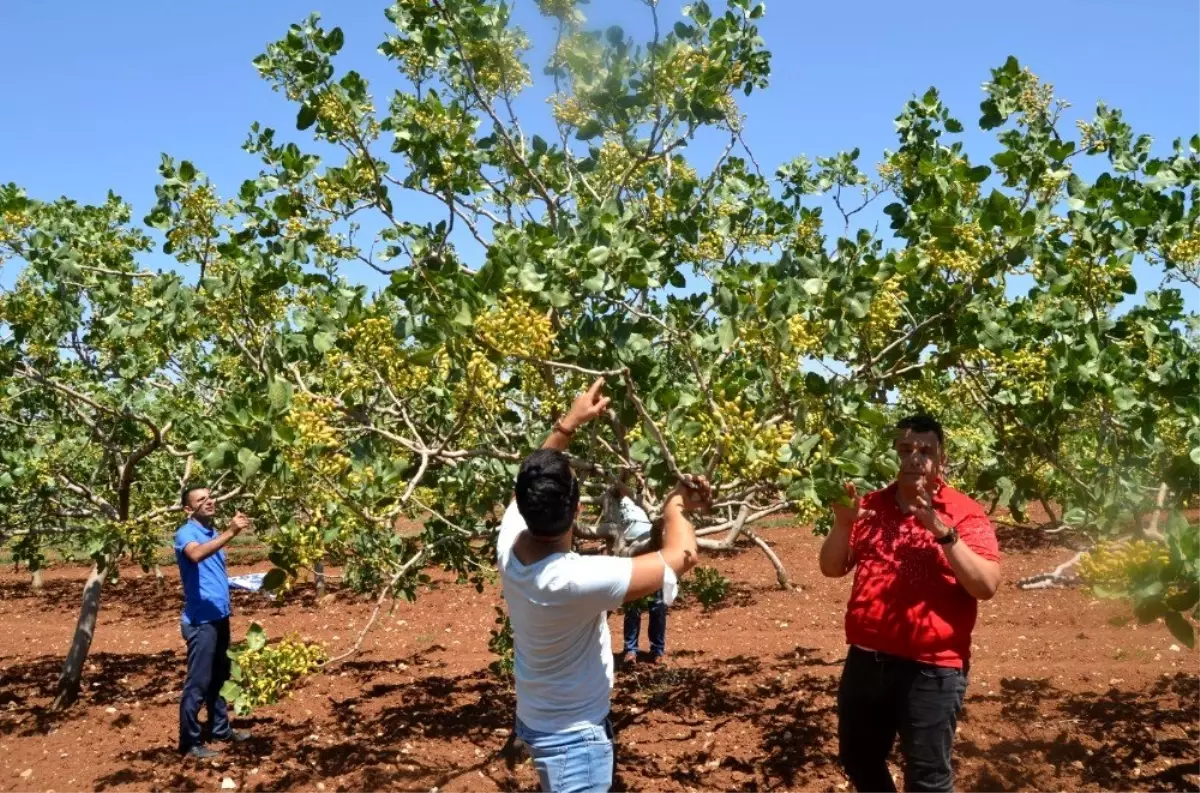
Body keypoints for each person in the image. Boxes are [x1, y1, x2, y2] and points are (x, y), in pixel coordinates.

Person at [498, 378, 711, 792]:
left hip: (538, 717)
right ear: (578, 509)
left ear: (522, 505)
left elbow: (532, 473)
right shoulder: (575, 579)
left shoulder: (509, 543)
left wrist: (568, 424)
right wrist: (677, 505)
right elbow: (683, 556)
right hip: (573, 741)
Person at [819, 415, 1001, 793]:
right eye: (905, 449)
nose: (915, 458)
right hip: (866, 664)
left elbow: (985, 585)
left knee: (927, 779)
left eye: (925, 451)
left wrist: (942, 532)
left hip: (932, 671)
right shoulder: (869, 505)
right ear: (893, 455)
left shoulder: (963, 512)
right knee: (859, 760)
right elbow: (832, 567)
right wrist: (842, 523)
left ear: (941, 460)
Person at [175, 485, 253, 758]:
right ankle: (189, 743)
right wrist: (231, 532)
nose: (209, 501)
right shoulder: (186, 533)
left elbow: (211, 572)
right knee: (198, 683)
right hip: (200, 622)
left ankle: (220, 729)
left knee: (219, 678)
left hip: (220, 618)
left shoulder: (210, 534)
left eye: (210, 497)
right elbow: (195, 555)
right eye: (201, 499)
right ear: (188, 509)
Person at [613, 485, 667, 666]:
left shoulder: (650, 500)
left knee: (657, 605)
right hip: (631, 553)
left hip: (653, 551)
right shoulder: (615, 502)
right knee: (633, 606)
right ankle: (630, 650)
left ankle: (657, 650)